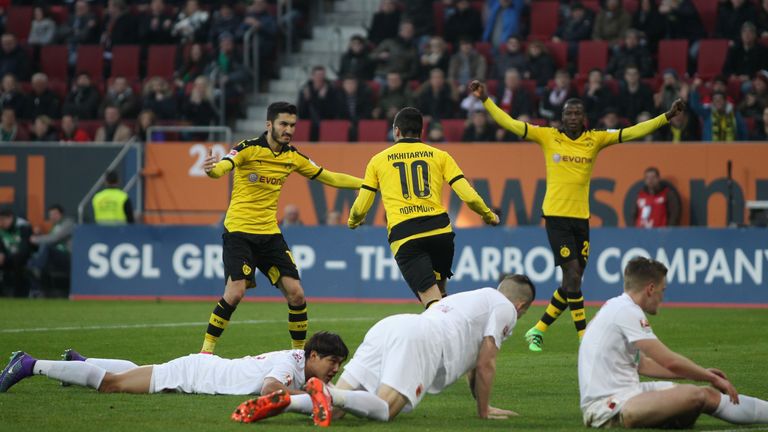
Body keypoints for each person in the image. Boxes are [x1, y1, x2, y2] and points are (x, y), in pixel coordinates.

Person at [471, 79, 686, 352]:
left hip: (580, 219)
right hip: (556, 217)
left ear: (583, 118)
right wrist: (486, 100)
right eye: (568, 114)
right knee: (572, 275)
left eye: (577, 113)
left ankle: (538, 330)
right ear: (562, 118)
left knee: (571, 282)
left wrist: (666, 117)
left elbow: (631, 132)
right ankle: (585, 336)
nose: (572, 118)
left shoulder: (594, 140)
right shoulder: (548, 136)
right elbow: (511, 123)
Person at [244, 275, 536, 426]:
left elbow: (474, 366)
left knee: (339, 412)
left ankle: (285, 402)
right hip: (422, 339)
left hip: (390, 326)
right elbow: (486, 363)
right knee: (384, 410)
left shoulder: (473, 298)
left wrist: (481, 402)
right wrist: (483, 412)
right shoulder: (506, 308)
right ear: (521, 306)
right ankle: (328, 393)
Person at [201, 102, 363, 354]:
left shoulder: (292, 156)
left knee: (296, 294)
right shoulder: (247, 148)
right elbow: (223, 167)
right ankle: (206, 351)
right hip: (239, 232)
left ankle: (299, 356)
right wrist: (212, 170)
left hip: (270, 235)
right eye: (283, 124)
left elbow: (328, 176)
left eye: (292, 125)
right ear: (269, 125)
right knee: (235, 293)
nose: (289, 130)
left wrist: (366, 184)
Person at [579, 256, 768, 428]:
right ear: (651, 289)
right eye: (663, 290)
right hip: (607, 405)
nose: (663, 297)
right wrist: (712, 378)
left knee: (706, 395)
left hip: (628, 393)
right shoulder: (626, 311)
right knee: (695, 396)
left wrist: (702, 373)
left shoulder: (618, 307)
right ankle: (659, 419)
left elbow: (644, 364)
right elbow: (670, 361)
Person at [348, 107, 499, 307]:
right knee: (441, 296)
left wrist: (353, 221)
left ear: (396, 131)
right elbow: (468, 195)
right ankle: (455, 332)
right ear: (421, 132)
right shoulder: (440, 155)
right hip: (441, 234)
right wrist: (488, 215)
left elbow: (361, 206)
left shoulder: (378, 160)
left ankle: (462, 333)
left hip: (407, 236)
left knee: (434, 307)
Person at [0, 331, 348, 410]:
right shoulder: (292, 363)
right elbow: (269, 390)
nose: (334, 369)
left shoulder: (300, 363)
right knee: (112, 386)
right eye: (332, 362)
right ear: (313, 354)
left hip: (200, 370)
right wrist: (319, 396)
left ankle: (80, 363)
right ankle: (31, 364)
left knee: (140, 371)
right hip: (194, 375)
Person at [27, 204, 75, 295]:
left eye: (55, 214)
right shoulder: (54, 227)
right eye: (51, 214)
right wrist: (40, 235)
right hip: (56, 256)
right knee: (30, 263)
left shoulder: (68, 223)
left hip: (68, 256)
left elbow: (55, 238)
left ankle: (37, 268)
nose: (52, 217)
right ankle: (38, 290)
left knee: (46, 248)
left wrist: (36, 239)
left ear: (61, 214)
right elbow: (51, 238)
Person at [0, 207, 32, 297]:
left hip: (23, 257)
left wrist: (6, 257)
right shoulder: (1, 229)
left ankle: (19, 294)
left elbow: (25, 248)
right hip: (6, 257)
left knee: (17, 260)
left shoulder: (23, 226)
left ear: (10, 217)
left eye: (3, 220)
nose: (1, 223)